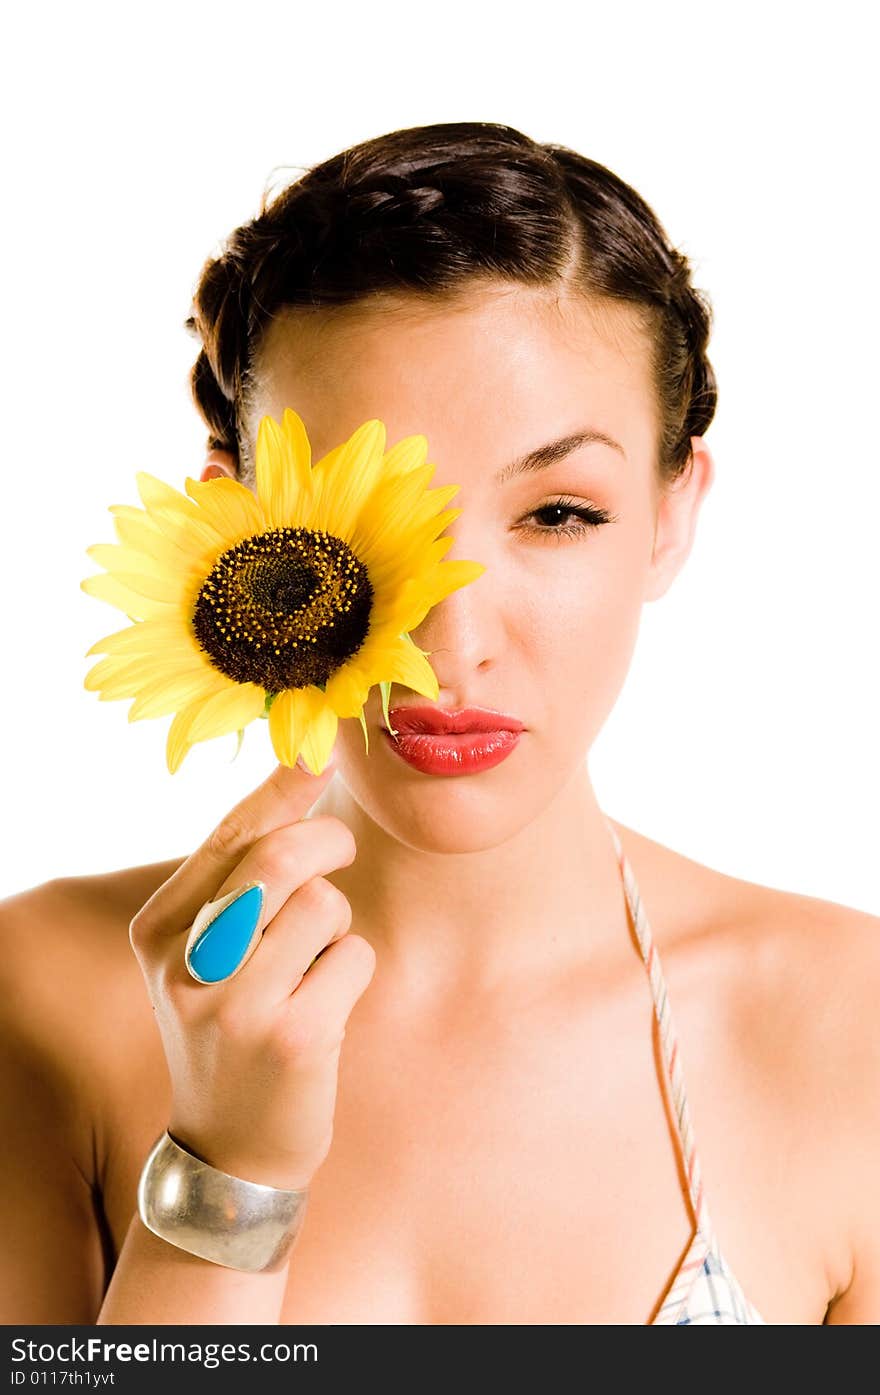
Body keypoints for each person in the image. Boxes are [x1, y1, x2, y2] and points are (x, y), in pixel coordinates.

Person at [1, 119, 877, 1327]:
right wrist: (225, 1173)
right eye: (363, 518)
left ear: (671, 518)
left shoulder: (852, 1028)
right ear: (236, 537)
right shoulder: (36, 999)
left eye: (558, 513)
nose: (446, 643)